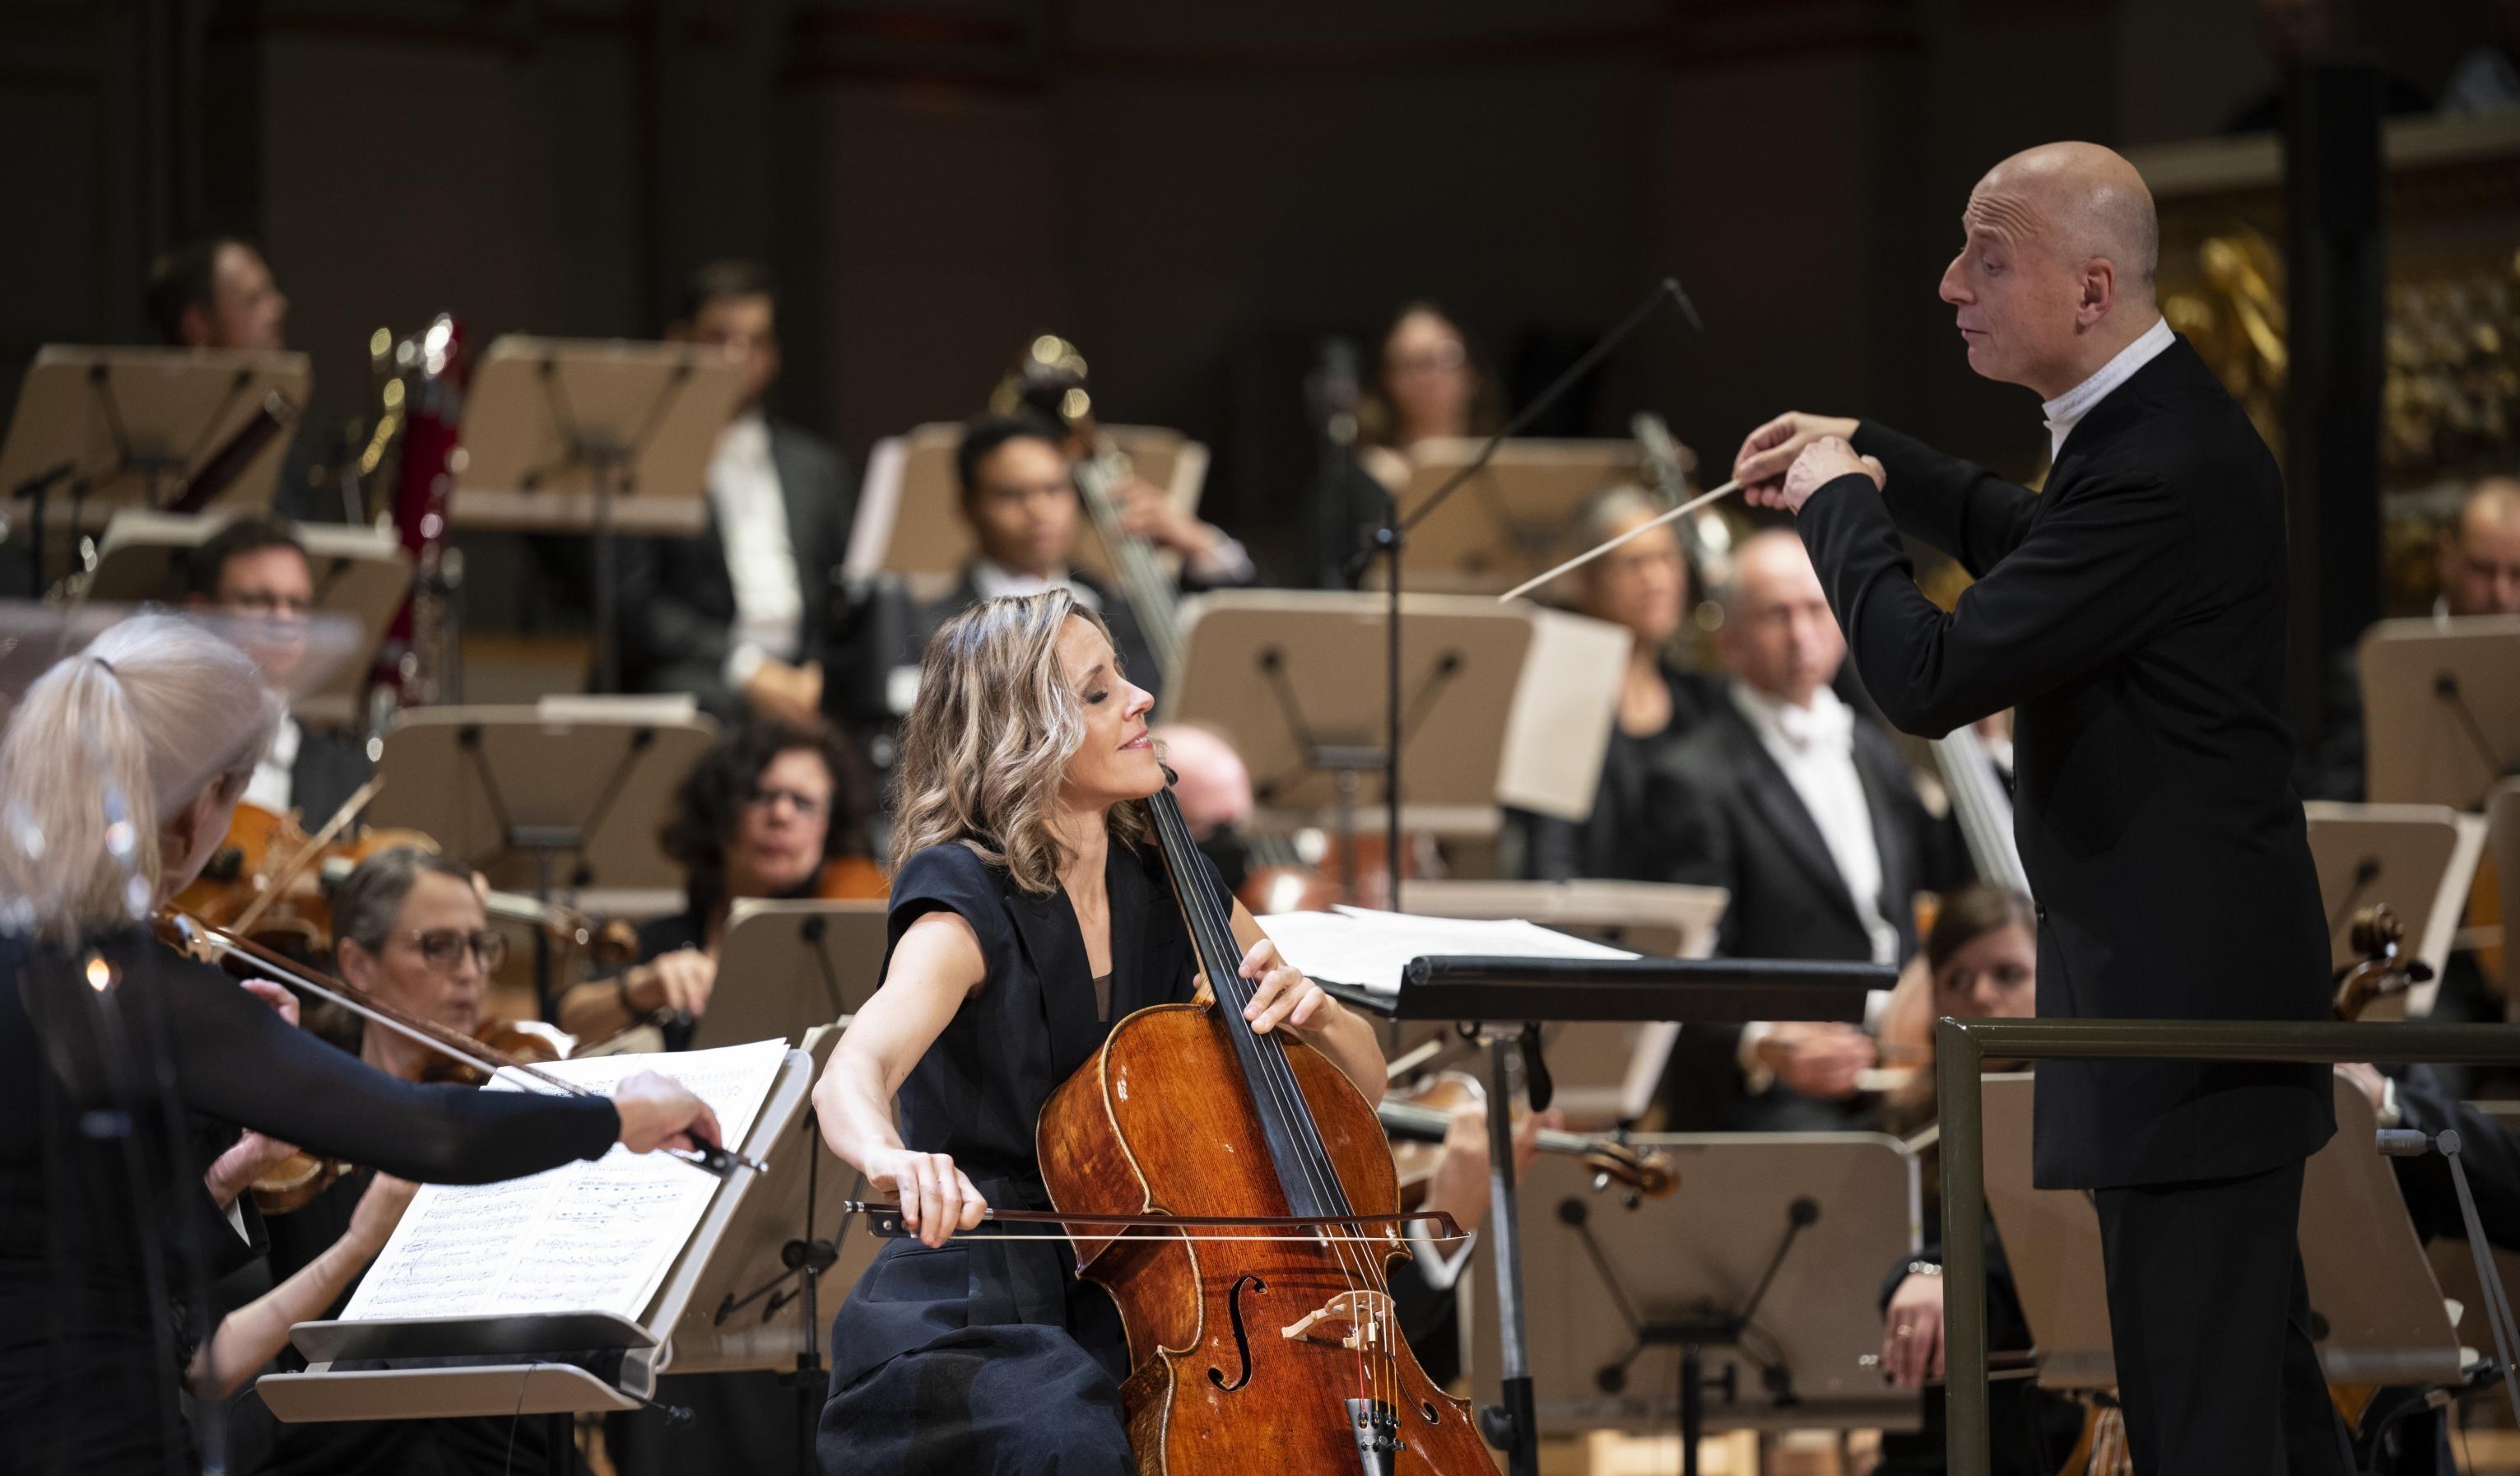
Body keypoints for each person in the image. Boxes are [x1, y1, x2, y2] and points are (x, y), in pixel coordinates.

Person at [1735, 141, 2340, 1471]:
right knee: (2259, 1414)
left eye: (1986, 255)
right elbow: (2034, 541)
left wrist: (1838, 506)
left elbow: (1927, 672)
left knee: (2208, 1429)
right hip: (2188, 1009)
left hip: (2188, 1019)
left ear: (2090, 286)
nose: (1950, 283)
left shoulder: (2157, 460)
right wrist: (1880, 454)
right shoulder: (2145, 428)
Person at [0, 612, 722, 1476]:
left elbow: (78, 1218)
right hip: (92, 1426)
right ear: (192, 811)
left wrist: (221, 1172)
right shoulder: (159, 992)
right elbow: (430, 1131)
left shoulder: (32, 963)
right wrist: (617, 1113)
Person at [810, 590, 1387, 1474]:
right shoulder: (967, 896)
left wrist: (1323, 1015)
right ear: (1022, 736)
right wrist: (890, 1158)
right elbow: (856, 1062)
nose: (1139, 699)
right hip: (988, 1294)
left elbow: (1364, 1091)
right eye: (1096, 692)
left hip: (1158, 1288)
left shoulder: (1164, 873)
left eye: (1122, 677)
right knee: (1069, 1441)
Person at [221, 845, 578, 1475]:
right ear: (358, 962)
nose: (469, 971)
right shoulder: (294, 1136)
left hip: (507, 1449)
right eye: (439, 946)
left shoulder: (505, 1106)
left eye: (480, 946)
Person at [1641, 528, 1952, 1133]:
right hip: (1781, 1097)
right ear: (1727, 640)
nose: (1802, 634)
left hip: (1904, 1071)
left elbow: (1948, 874)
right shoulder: (1689, 778)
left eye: (1815, 609)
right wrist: (1765, 1043)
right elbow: (1679, 968)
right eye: (1775, 615)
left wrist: (1988, 741)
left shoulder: (1869, 746)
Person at [619, 259, 856, 724]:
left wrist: (818, 673)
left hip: (800, 673)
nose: (737, 357)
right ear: (679, 342)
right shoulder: (642, 460)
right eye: (719, 339)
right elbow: (636, 607)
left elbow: (843, 592)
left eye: (755, 342)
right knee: (710, 708)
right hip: (702, 671)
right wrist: (748, 670)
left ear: (774, 356)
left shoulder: (817, 467)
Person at [556, 718, 875, 1050]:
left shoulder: (843, 942)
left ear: (829, 827)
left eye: (804, 803)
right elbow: (564, 1026)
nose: (781, 814)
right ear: (720, 814)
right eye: (760, 795)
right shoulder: (670, 939)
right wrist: (641, 988)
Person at [909, 416, 1248, 702]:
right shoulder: (932, 629)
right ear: (970, 507)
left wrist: (1202, 547)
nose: (1039, 511)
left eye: (1055, 490)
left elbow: (1233, 661)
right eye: (1012, 495)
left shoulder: (1125, 610)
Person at [1513, 487, 1723, 882]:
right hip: (1588, 927)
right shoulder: (1557, 699)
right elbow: (1548, 852)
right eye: (1634, 563)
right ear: (1588, 579)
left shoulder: (1700, 698)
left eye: (1667, 558)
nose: (1657, 579)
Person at [2304, 476, 2520, 802]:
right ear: (2447, 555)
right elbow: (2336, 807)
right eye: (2482, 570)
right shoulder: (2370, 674)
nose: (2501, 594)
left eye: (2518, 574)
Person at [181, 515, 372, 830]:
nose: (283, 621)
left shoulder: (346, 773)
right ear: (200, 614)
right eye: (258, 601)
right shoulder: (154, 750)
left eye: (297, 605)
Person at [144, 236, 334, 524]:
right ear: (198, 325)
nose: (278, 307)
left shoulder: (276, 426)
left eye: (271, 292)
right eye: (253, 299)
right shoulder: (158, 441)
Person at [1357, 303, 1496, 497]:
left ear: (1474, 374)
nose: (1426, 378)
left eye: (1445, 357)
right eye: (1408, 363)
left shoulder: (1508, 471)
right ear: (1386, 381)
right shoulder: (1361, 479)